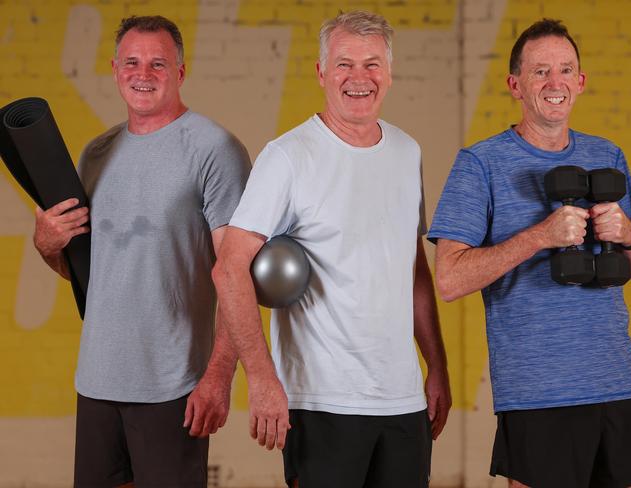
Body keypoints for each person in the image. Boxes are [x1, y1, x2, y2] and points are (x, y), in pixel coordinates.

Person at [213, 10, 451, 488]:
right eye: (344, 64)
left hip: (402, 401)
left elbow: (414, 271)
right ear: (322, 73)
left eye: (372, 64)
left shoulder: (407, 152)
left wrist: (436, 366)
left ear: (389, 72)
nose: (358, 78)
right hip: (321, 403)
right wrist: (261, 379)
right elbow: (229, 269)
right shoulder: (288, 156)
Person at [428, 18, 631, 488]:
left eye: (566, 70)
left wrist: (630, 234)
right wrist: (538, 236)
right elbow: (448, 280)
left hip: (618, 384)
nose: (555, 83)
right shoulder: (480, 164)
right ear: (515, 85)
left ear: (581, 82)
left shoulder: (607, 155)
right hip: (537, 395)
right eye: (540, 72)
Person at [32, 15, 250, 488]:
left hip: (172, 383)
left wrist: (218, 377)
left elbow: (239, 276)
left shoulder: (215, 149)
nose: (143, 74)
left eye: (158, 63)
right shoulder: (97, 153)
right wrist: (48, 245)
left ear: (180, 72)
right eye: (131, 62)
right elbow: (90, 270)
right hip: (96, 380)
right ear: (114, 69)